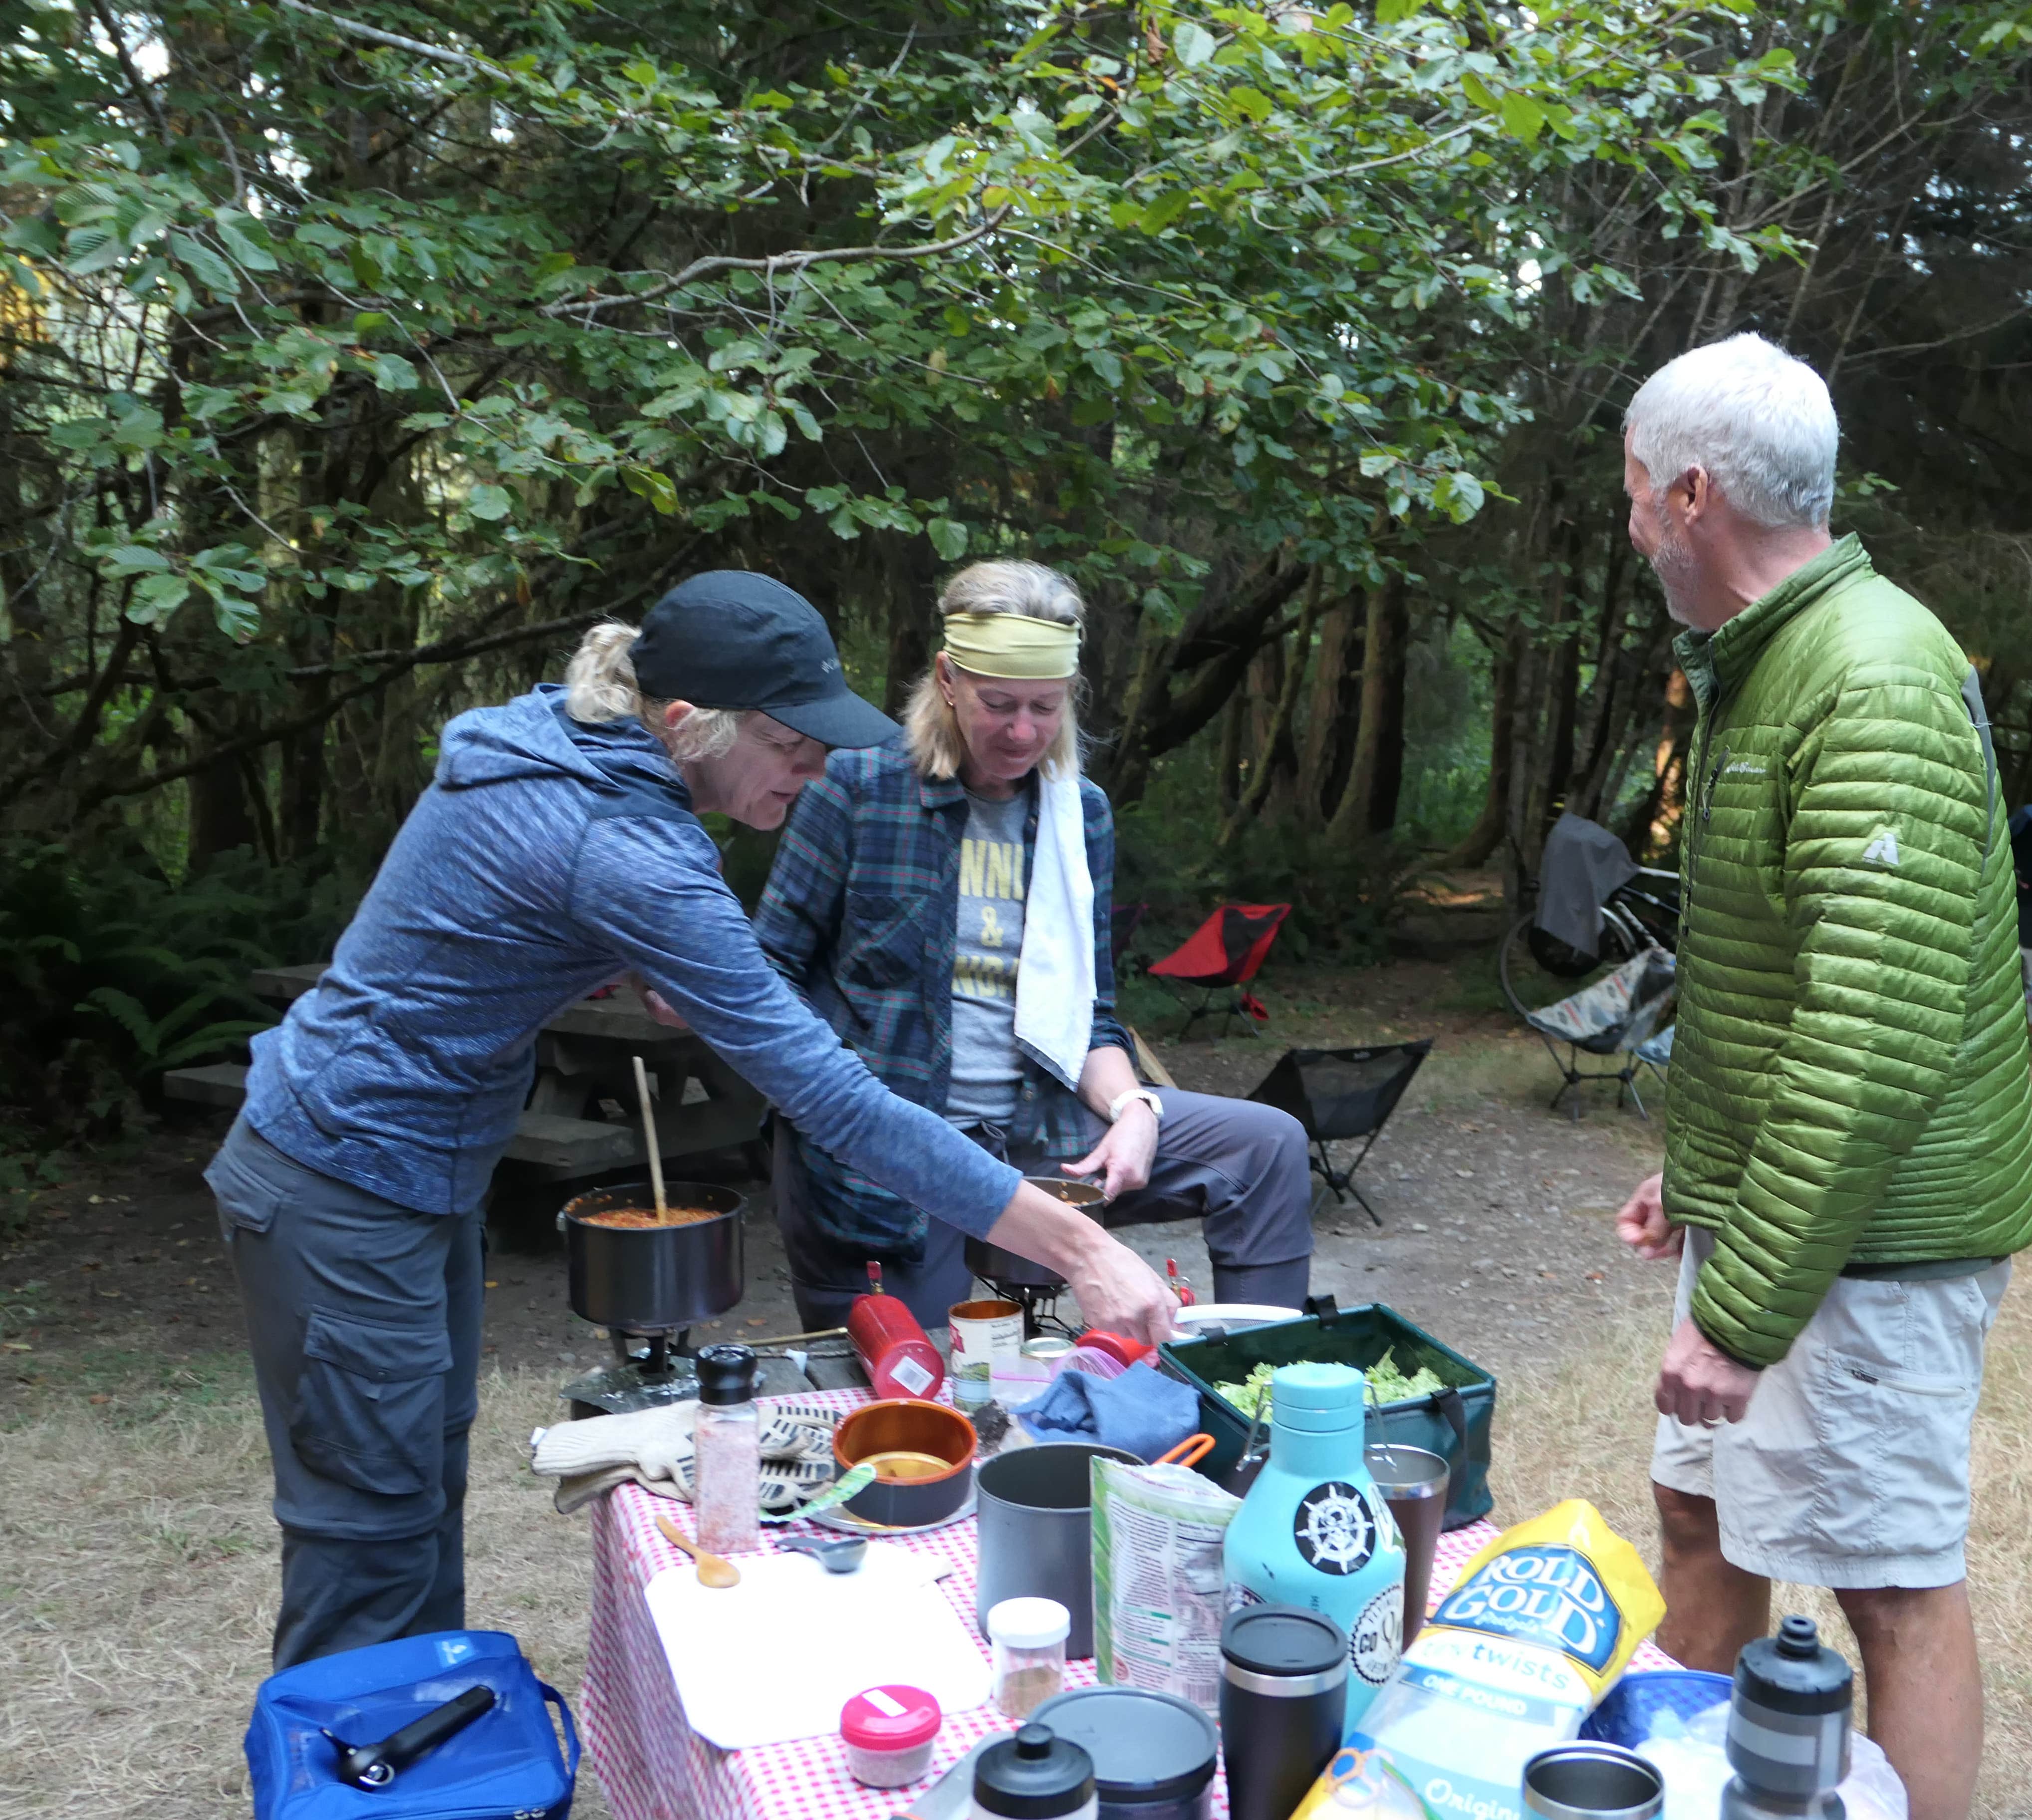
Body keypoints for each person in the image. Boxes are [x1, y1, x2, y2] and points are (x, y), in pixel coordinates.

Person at [206, 570, 1175, 1669]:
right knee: (368, 1534)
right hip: (341, 1177)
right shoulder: (620, 841)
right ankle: (347, 1747)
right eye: (791, 746)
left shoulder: (571, 748)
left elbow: (504, 914)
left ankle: (422, 1735)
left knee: (422, 1486)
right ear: (687, 722)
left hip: (415, 1177)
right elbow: (833, 1097)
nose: (818, 771)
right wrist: (1083, 1249)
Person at [1608, 335, 2032, 1820]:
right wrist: (1702, 1170)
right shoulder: (1767, 659)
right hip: (1784, 1215)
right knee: (1698, 1517)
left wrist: (1740, 1316)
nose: (1630, 526)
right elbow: (1785, 982)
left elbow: (1871, 1040)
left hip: (1875, 1241)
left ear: (1691, 495)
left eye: (1634, 492)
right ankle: (1686, 1785)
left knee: (1888, 1584)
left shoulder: (1871, 676)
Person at [753, 559, 1316, 1331]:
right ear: (948, 680)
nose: (1023, 732)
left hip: (1040, 1131)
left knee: (1265, 1146)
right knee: (922, 1377)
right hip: (895, 1155)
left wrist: (1134, 1107)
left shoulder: (1078, 813)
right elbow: (769, 975)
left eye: (1045, 708)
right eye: (1000, 704)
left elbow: (1090, 1013)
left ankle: (1260, 1370)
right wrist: (843, 1110)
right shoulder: (855, 790)